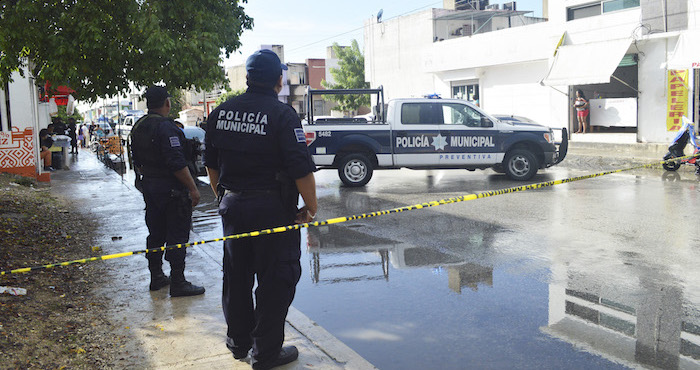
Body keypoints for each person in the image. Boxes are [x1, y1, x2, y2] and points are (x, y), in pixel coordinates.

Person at [204, 49, 317, 370]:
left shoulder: (221, 113)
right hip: (272, 209)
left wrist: (224, 197)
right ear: (279, 80)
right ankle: (266, 353)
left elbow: (211, 164)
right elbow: (300, 169)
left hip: (233, 206)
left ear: (248, 78)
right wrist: (311, 207)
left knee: (236, 275)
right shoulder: (282, 115)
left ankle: (239, 343)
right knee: (277, 278)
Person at [130, 85, 205, 297]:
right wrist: (193, 188)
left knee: (155, 233)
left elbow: (138, 161)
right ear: (167, 103)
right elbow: (176, 163)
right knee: (177, 234)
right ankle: (178, 282)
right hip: (171, 190)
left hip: (150, 187)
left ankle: (156, 277)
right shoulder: (167, 127)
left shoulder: (139, 126)